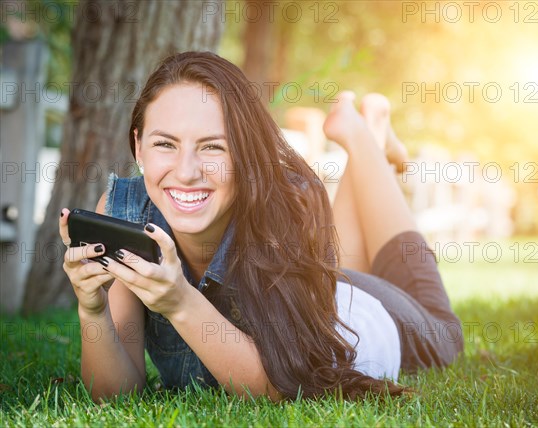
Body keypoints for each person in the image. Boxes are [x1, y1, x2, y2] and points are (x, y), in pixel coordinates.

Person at [59, 51, 463, 402]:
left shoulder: (287, 202)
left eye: (212, 146)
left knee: (446, 333)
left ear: (245, 151)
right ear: (138, 147)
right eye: (165, 144)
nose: (185, 172)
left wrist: (179, 300)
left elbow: (277, 387)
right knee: (339, 268)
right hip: (323, 291)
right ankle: (370, 132)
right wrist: (92, 311)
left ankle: (362, 135)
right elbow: (116, 395)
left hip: (367, 318)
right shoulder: (127, 212)